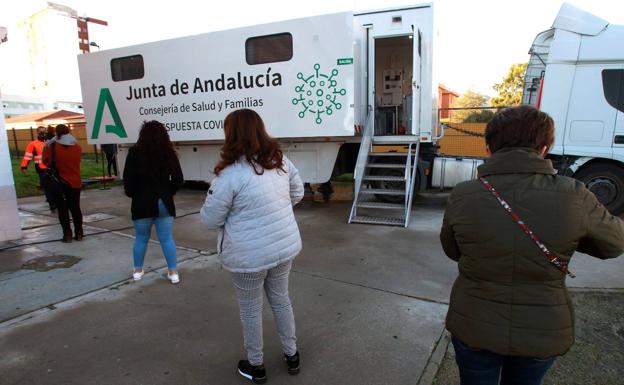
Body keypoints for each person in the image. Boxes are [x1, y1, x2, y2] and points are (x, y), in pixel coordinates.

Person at [440, 105, 624, 385]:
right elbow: (613, 244)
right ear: (544, 147)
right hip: (542, 329)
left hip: (474, 323)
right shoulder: (574, 194)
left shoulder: (463, 194)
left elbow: (452, 249)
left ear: (489, 148)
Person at [200, 109, 304, 383]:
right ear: (261, 129)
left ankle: (256, 365)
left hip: (248, 256)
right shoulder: (280, 162)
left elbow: (210, 220)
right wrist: (276, 212)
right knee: (281, 299)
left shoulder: (229, 175)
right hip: (283, 246)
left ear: (230, 135)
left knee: (250, 309)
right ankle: (292, 355)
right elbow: (298, 192)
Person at [123, 120, 183, 284]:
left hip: (142, 203)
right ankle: (173, 272)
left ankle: (137, 271)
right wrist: (168, 192)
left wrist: (134, 194)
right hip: (163, 202)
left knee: (141, 238)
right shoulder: (169, 152)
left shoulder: (134, 153)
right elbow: (179, 179)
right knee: (166, 238)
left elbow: (128, 181)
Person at [42, 124, 83, 243]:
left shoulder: (51, 146)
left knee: (62, 209)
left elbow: (45, 161)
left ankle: (67, 235)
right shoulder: (77, 146)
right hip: (75, 181)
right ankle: (79, 233)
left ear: (57, 133)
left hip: (58, 182)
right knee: (75, 208)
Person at [21, 126, 56, 211]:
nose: (43, 133)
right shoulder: (33, 144)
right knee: (47, 186)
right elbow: (28, 156)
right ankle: (52, 203)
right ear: (37, 133)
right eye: (41, 132)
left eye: (44, 131)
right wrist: (24, 166)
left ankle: (54, 200)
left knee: (55, 185)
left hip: (53, 167)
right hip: (41, 168)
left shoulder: (51, 142)